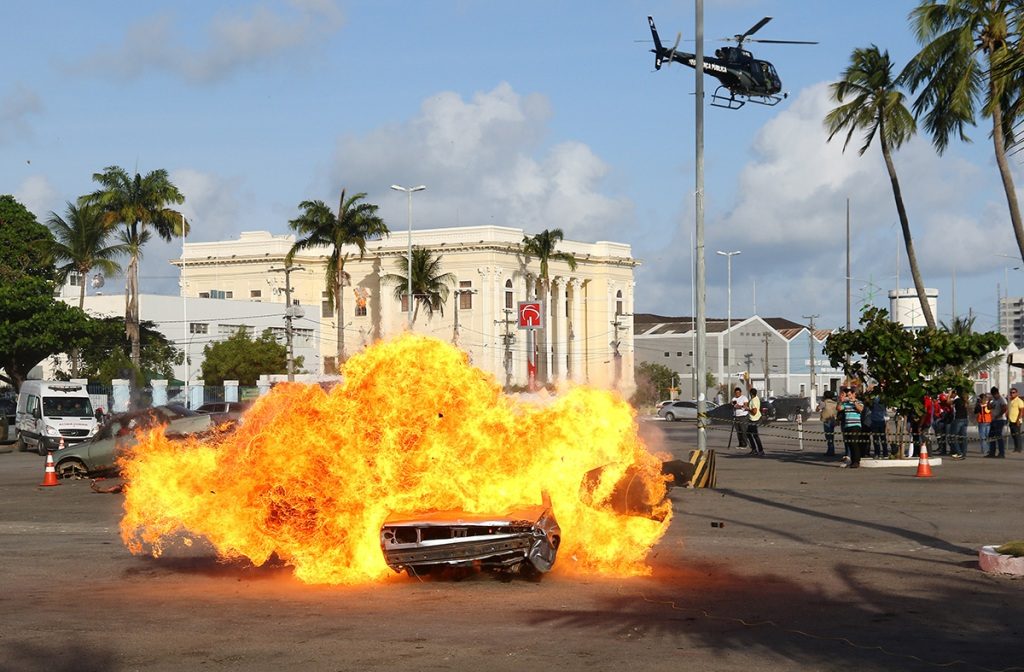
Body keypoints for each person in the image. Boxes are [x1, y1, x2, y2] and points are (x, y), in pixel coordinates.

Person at [839, 386, 865, 468]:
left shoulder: (859, 402)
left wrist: (854, 402)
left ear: (854, 394)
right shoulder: (845, 403)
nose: (848, 396)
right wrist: (841, 401)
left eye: (850, 394)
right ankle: (853, 461)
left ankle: (857, 461)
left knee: (854, 443)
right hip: (847, 425)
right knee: (849, 443)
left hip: (855, 425)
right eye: (847, 394)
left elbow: (860, 409)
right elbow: (839, 408)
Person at [986, 387, 1007, 458]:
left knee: (998, 436)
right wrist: (989, 401)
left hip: (1000, 420)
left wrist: (999, 415)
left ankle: (1001, 453)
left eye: (995, 394)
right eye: (993, 395)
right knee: (991, 436)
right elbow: (989, 408)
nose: (994, 396)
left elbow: (1005, 408)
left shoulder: (1002, 399)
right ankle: (992, 452)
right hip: (994, 420)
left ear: (997, 393)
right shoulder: (994, 400)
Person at [817, 390, 838, 457]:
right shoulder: (835, 402)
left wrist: (819, 403)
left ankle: (830, 451)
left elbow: (817, 409)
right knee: (831, 436)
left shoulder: (824, 403)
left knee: (828, 437)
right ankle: (831, 450)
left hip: (826, 420)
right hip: (833, 420)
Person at [948, 388, 968, 459]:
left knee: (953, 436)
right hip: (965, 419)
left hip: (958, 419)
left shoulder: (957, 400)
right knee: (963, 437)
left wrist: (949, 394)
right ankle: (964, 453)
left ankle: (959, 452)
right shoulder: (964, 401)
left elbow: (948, 402)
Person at [867, 392, 888, 459]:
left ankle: (879, 453)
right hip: (878, 420)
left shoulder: (875, 398)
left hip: (878, 420)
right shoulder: (882, 398)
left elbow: (870, 407)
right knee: (881, 438)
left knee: (877, 438)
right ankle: (884, 453)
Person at [746, 387, 765, 456]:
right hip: (753, 419)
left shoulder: (754, 401)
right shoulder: (756, 398)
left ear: (751, 393)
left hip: (754, 419)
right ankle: (754, 449)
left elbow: (754, 412)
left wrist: (748, 409)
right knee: (748, 434)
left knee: (755, 435)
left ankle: (761, 450)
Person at [1007, 387, 1024, 453]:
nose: (1012, 394)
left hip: (1017, 421)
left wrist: (1018, 420)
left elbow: (1022, 411)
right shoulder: (1011, 401)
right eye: (1011, 392)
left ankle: (1019, 449)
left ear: (1017, 393)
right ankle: (1016, 448)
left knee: (1017, 435)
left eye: (1013, 392)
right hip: (1011, 420)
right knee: (1013, 435)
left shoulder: (1019, 401)